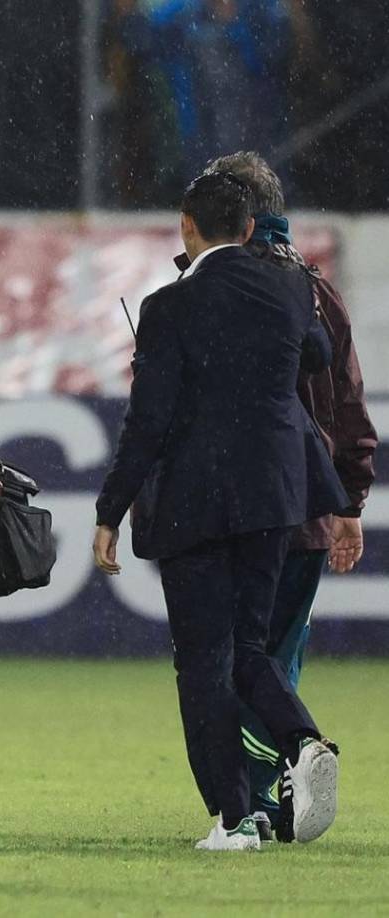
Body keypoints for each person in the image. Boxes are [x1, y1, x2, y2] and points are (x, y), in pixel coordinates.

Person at [92, 171, 347, 851]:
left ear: (187, 226)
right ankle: (300, 740)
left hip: (194, 504)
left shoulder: (168, 307)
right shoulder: (291, 288)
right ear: (248, 229)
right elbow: (317, 356)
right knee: (249, 647)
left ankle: (233, 819)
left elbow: (146, 423)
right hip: (274, 498)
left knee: (202, 662)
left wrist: (110, 510)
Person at [197, 151, 378, 841]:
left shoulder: (222, 287)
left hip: (238, 504)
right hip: (308, 504)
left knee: (228, 658)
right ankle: (279, 788)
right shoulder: (314, 291)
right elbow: (349, 406)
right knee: (273, 657)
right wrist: (351, 501)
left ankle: (266, 793)